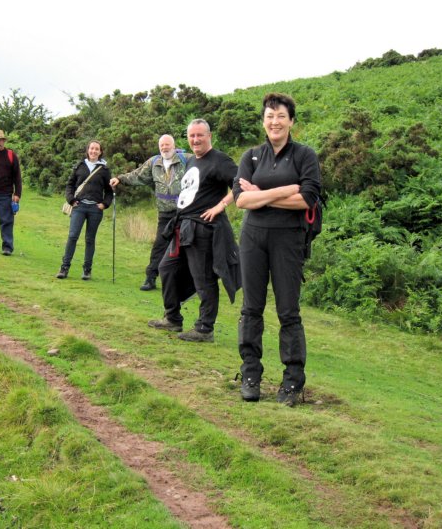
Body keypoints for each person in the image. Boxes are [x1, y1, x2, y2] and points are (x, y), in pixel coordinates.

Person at [232, 93, 321, 406]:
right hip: (253, 238)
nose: (275, 121)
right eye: (269, 116)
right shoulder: (252, 156)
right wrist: (285, 190)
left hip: (289, 239)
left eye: (281, 115)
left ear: (291, 120)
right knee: (251, 308)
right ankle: (250, 374)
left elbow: (307, 198)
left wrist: (262, 194)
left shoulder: (304, 155)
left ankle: (293, 381)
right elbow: (241, 199)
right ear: (263, 121)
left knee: (288, 311)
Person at [148, 119, 240, 343]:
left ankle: (205, 328)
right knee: (166, 268)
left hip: (204, 229)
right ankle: (173, 317)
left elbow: (241, 183)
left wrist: (221, 206)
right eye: (192, 136)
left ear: (209, 136)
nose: (196, 140)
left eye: (200, 135)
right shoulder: (192, 161)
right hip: (184, 227)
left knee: (204, 278)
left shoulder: (220, 160)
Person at [110, 134, 187, 291]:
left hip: (185, 212)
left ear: (174, 145)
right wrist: (120, 178)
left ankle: (187, 282)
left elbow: (203, 170)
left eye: (167, 144)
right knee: (159, 245)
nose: (164, 148)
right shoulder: (154, 163)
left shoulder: (187, 160)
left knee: (187, 246)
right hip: (164, 213)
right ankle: (150, 278)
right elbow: (137, 175)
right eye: (162, 145)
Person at [56, 140, 114, 280]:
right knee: (73, 236)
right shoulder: (79, 166)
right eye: (92, 148)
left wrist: (104, 204)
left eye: (97, 149)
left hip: (95, 209)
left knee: (90, 239)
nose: (94, 151)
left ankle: (87, 271)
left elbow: (109, 191)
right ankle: (64, 268)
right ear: (88, 150)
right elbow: (70, 185)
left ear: (100, 152)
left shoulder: (104, 170)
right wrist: (71, 199)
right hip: (79, 207)